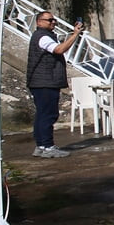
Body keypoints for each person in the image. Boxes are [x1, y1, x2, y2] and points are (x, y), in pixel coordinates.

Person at [27, 11, 84, 158]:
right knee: (48, 115)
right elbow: (59, 49)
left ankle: (40, 146)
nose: (53, 22)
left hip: (41, 82)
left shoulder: (42, 36)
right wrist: (75, 35)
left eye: (54, 20)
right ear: (39, 22)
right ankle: (48, 147)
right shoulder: (42, 37)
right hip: (45, 82)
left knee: (42, 114)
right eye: (49, 20)